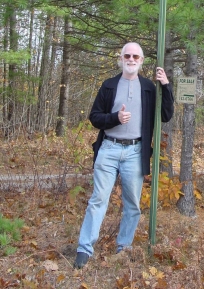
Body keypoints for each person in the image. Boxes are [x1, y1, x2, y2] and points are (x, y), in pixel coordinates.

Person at [74, 42, 174, 269]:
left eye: (135, 56)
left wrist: (166, 86)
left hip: (135, 152)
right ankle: (84, 249)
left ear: (141, 61)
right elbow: (95, 118)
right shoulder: (109, 86)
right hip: (108, 149)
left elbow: (166, 115)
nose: (131, 59)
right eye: (127, 56)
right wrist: (114, 119)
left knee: (132, 204)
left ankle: (124, 247)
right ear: (120, 59)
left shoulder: (149, 88)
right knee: (98, 200)